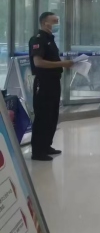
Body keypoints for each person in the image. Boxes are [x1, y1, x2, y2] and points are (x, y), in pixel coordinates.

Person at [28, 12, 73, 161]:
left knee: (52, 115)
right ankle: (37, 151)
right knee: (43, 116)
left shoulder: (50, 39)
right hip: (43, 82)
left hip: (54, 81)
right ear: (44, 23)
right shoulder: (38, 39)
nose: (56, 24)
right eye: (54, 21)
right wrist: (62, 63)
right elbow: (38, 62)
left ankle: (46, 145)